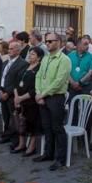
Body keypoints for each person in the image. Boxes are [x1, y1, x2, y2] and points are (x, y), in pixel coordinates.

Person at [35, 32, 71, 171]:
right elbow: (38, 75)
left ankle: (60, 159)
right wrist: (38, 92)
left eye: (50, 41)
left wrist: (42, 94)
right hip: (43, 97)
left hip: (56, 97)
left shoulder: (64, 60)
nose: (47, 43)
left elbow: (59, 81)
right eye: (46, 41)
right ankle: (48, 154)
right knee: (47, 127)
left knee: (57, 128)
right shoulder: (45, 58)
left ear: (59, 42)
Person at [12, 47, 43, 156]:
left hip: (30, 101)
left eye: (33, 54)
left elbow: (35, 89)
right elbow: (16, 81)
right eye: (29, 54)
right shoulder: (25, 66)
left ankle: (32, 146)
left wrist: (21, 98)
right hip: (19, 99)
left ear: (39, 57)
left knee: (31, 124)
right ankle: (21, 144)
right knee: (20, 123)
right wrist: (16, 97)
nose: (30, 56)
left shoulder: (39, 69)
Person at [0, 41, 27, 147]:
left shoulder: (23, 63)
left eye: (11, 49)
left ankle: (15, 141)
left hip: (12, 95)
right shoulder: (6, 62)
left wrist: (7, 93)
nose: (9, 51)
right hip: (2, 93)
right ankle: (6, 136)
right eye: (9, 48)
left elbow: (18, 81)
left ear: (18, 50)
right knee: (5, 117)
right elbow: (1, 77)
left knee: (14, 119)